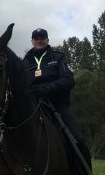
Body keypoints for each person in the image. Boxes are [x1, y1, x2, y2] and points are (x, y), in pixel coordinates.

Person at [23, 28, 92, 171]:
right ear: (32, 41)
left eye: (42, 38)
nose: (39, 40)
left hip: (57, 106)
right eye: (36, 38)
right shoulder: (25, 61)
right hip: (32, 105)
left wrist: (47, 89)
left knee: (78, 140)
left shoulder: (58, 57)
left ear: (47, 40)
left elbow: (69, 80)